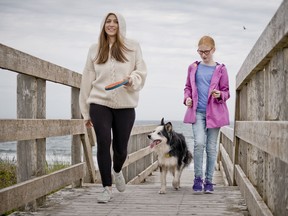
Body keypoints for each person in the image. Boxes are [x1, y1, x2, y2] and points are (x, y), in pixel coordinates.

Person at [79, 12, 147, 203]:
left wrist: (131, 80)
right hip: (99, 102)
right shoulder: (94, 49)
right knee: (103, 142)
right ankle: (106, 187)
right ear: (103, 25)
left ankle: (117, 170)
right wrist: (85, 111)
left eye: (115, 21)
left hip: (126, 105)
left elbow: (141, 71)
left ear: (121, 25)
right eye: (108, 21)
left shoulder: (133, 47)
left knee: (121, 149)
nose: (111, 24)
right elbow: (86, 80)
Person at [183, 36, 230, 194]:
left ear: (213, 50)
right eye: (200, 51)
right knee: (199, 143)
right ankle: (198, 178)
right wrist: (187, 98)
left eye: (206, 51)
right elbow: (187, 87)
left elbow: (227, 91)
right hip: (197, 112)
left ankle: (209, 181)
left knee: (210, 148)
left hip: (215, 114)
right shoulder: (193, 67)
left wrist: (219, 95)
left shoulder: (221, 69)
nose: (203, 55)